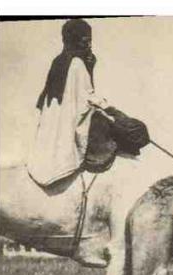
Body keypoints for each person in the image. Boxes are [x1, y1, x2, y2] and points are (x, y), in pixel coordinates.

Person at [28, 18, 108, 186]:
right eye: (86, 41)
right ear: (75, 41)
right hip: (68, 129)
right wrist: (109, 109)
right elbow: (86, 101)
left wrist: (90, 68)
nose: (89, 46)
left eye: (90, 41)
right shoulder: (77, 64)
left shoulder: (58, 61)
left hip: (51, 132)